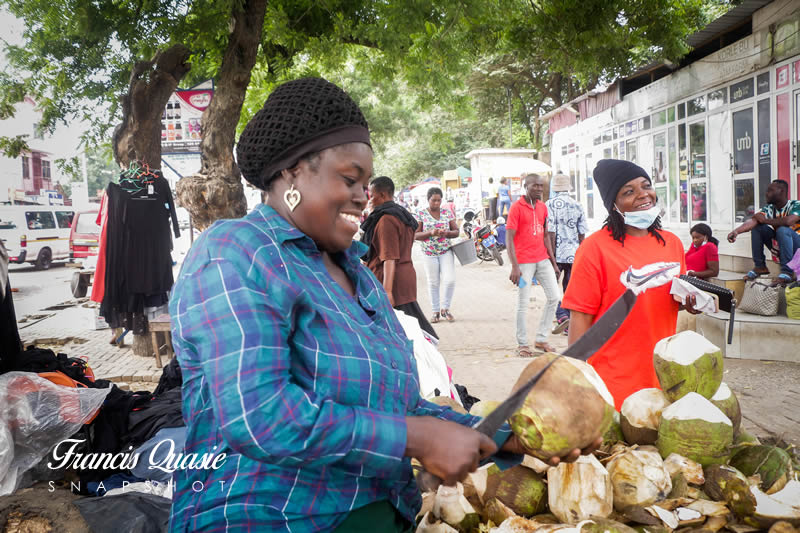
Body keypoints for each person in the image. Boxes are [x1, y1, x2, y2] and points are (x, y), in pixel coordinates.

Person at [168, 78, 600, 531]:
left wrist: (509, 435)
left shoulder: (357, 273)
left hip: (384, 512)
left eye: (367, 184)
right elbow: (259, 417)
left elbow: (397, 406)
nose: (363, 196)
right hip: (271, 516)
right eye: (350, 179)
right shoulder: (237, 253)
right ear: (292, 172)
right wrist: (416, 438)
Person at [562, 159, 699, 411]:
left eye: (646, 186)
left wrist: (689, 304)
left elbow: (659, 303)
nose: (642, 195)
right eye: (628, 191)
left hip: (664, 380)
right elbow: (580, 317)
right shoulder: (594, 249)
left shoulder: (672, 244)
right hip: (612, 383)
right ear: (613, 204)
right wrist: (575, 379)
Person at [362, 175, 437, 339]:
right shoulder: (402, 214)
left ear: (382, 195)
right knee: (410, 325)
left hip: (392, 281)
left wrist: (387, 291)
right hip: (404, 277)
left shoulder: (386, 219)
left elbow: (390, 257)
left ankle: (428, 354)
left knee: (408, 331)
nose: (369, 199)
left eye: (372, 195)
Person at [507, 174, 562, 357]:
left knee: (554, 297)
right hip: (524, 264)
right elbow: (509, 239)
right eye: (535, 186)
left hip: (542, 260)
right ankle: (522, 343)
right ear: (526, 186)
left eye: (541, 186)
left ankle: (541, 338)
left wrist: (553, 263)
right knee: (523, 303)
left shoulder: (542, 207)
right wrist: (515, 267)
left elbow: (546, 235)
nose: (539, 189)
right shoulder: (516, 208)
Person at [727, 180, 800, 286]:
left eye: (770, 190)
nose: (766, 193)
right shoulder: (769, 208)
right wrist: (736, 231)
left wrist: (765, 220)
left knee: (782, 229)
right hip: (783, 246)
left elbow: (789, 221)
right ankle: (760, 266)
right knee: (758, 228)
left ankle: (787, 272)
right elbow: (754, 221)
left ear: (782, 191)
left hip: (797, 248)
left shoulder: (796, 204)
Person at [545, 174, 587, 335]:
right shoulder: (577, 205)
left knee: (552, 289)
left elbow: (550, 233)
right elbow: (582, 233)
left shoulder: (550, 205)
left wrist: (552, 258)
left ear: (555, 188)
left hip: (556, 253)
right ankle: (569, 319)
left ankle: (562, 317)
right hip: (574, 253)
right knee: (569, 288)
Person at [415, 186, 459, 324]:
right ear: (428, 200)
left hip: (445, 251)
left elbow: (456, 231)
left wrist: (447, 233)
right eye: (433, 200)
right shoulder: (421, 214)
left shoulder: (447, 213)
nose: (436, 203)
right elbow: (416, 235)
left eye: (439, 200)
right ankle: (435, 311)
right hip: (429, 253)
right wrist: (430, 233)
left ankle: (445, 309)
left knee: (450, 280)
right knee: (433, 283)